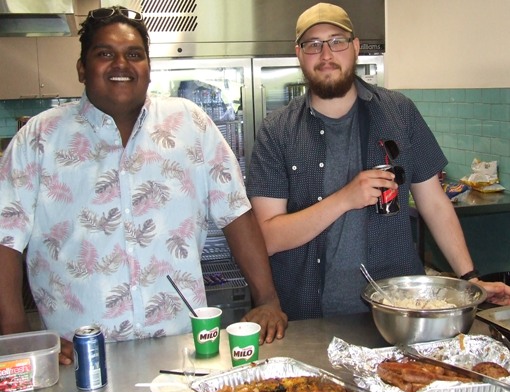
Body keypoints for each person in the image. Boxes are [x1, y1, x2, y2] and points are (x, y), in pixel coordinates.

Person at [0, 6, 287, 365]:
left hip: (182, 350)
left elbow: (235, 213)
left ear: (149, 68)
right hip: (78, 358)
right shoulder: (38, 139)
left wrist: (267, 300)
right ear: (81, 68)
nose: (121, 64)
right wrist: (16, 336)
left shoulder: (190, 124)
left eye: (134, 54)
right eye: (105, 53)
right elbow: (5, 240)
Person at [246, 2, 510, 321]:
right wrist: (345, 198)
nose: (326, 54)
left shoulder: (399, 113)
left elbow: (435, 203)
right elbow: (267, 239)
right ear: (299, 54)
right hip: (306, 315)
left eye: (337, 41)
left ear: (355, 47)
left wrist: (470, 279)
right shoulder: (277, 131)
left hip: (395, 312)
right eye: (313, 45)